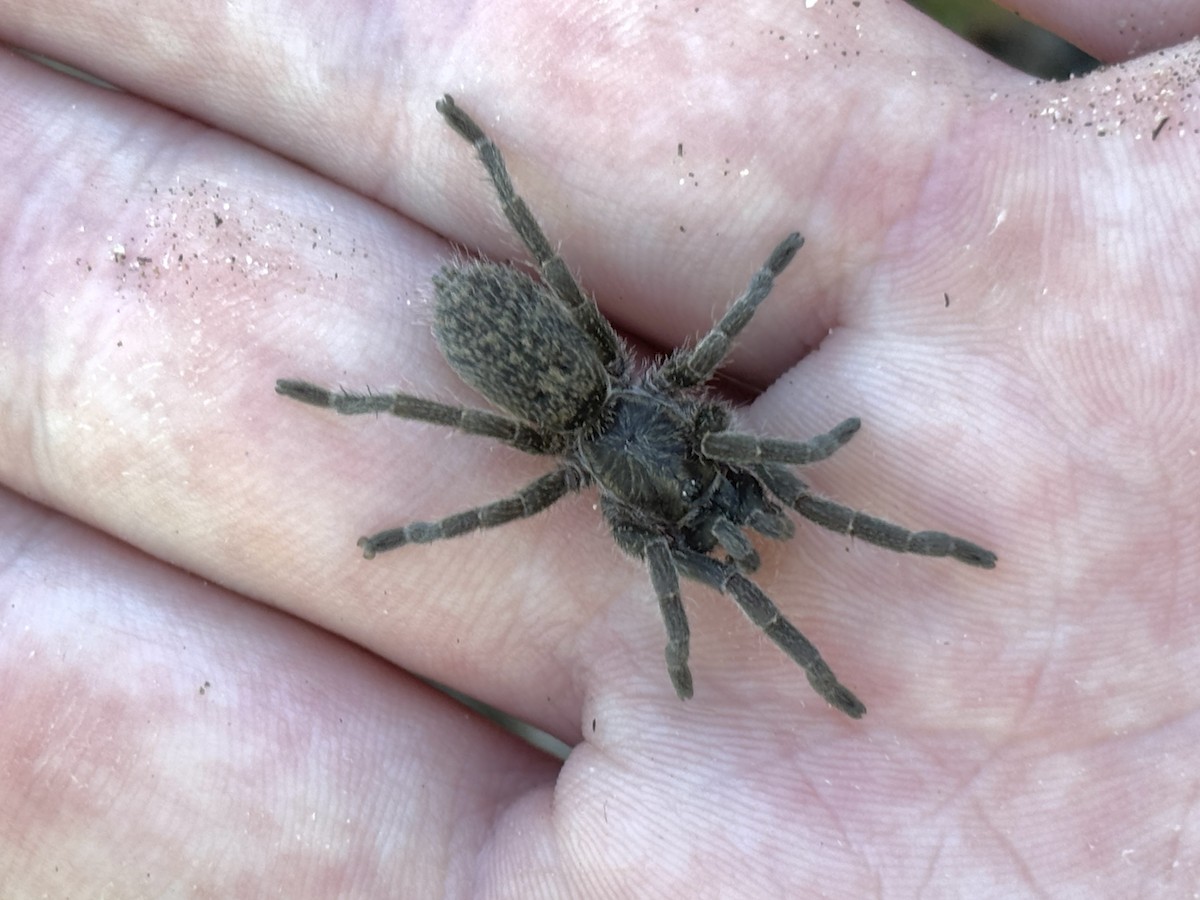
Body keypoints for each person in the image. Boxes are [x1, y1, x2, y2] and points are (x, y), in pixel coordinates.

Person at [1, 2, 1196, 895]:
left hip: (586, 398)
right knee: (489, 396)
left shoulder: (664, 453)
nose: (721, 528)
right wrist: (413, 516)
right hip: (554, 383)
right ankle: (336, 397)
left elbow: (729, 459)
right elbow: (664, 443)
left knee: (618, 381)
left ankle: (936, 565)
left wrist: (804, 390)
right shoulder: (640, 454)